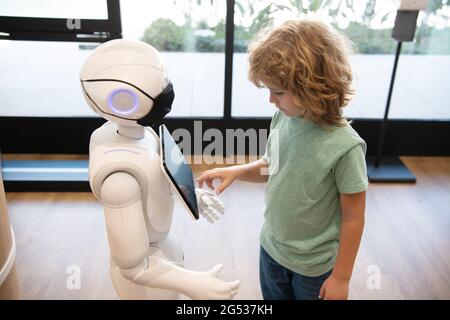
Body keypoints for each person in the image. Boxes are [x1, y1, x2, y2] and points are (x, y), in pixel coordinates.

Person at [197, 19, 368, 300]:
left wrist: (341, 277)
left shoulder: (345, 147)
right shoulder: (284, 117)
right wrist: (238, 171)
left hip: (314, 268)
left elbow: (353, 218)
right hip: (272, 250)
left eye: (278, 92)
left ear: (312, 87)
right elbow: (272, 166)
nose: (271, 101)